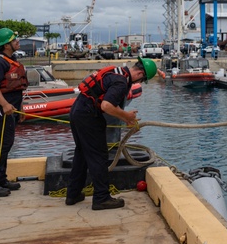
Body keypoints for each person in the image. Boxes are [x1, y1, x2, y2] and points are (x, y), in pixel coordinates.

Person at [65, 58, 158, 210]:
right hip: (88, 115)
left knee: (81, 153)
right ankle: (101, 198)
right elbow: (107, 105)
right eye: (142, 79)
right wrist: (127, 116)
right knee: (99, 156)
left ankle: (73, 194)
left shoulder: (115, 71)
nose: (138, 82)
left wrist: (123, 116)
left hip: (77, 110)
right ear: (140, 73)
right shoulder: (121, 82)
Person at [0, 28, 28, 197]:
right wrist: (5, 105)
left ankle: (1, 179)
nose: (17, 42)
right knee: (1, 145)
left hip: (11, 110)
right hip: (1, 110)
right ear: (6, 45)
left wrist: (19, 108)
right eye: (14, 40)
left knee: (6, 145)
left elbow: (17, 90)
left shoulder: (12, 60)